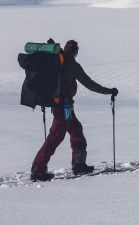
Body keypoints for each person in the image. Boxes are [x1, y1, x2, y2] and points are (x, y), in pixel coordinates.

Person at [31, 40, 118, 181]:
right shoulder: (72, 65)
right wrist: (109, 91)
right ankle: (38, 169)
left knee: (76, 130)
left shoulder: (58, 61)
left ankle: (79, 164)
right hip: (63, 106)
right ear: (76, 52)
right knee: (56, 137)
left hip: (64, 105)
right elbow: (90, 84)